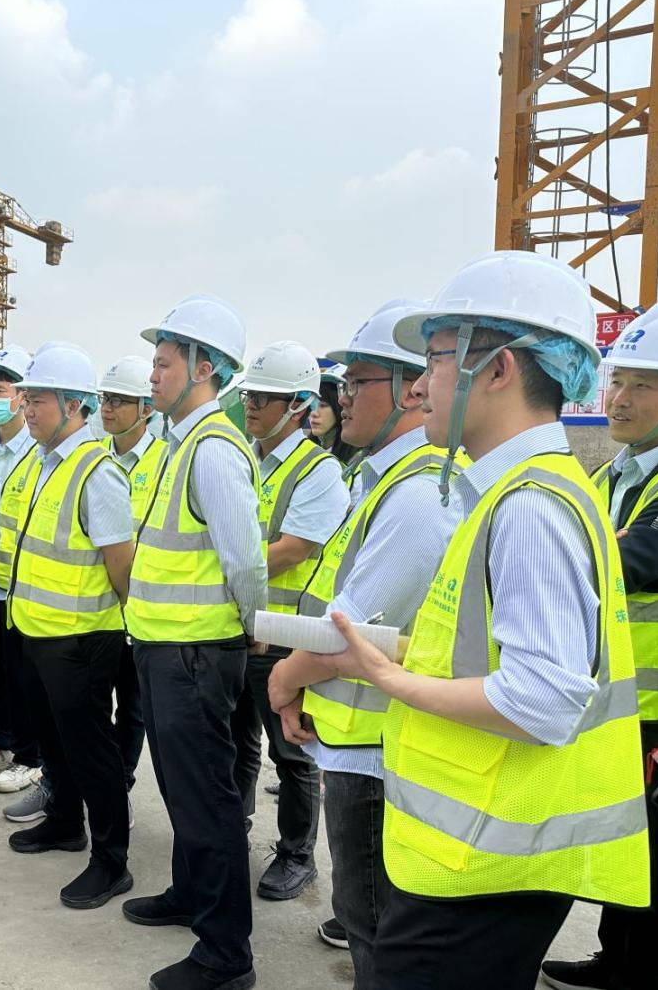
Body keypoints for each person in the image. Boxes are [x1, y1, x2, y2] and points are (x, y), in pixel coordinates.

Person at [311, 252, 650, 990]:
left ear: (497, 369)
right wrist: (393, 652)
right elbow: (477, 653)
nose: (419, 386)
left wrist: (390, 680)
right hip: (471, 855)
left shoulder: (529, 506)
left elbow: (542, 700)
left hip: (487, 868)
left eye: (435, 360)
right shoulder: (514, 491)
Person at [264, 304, 460, 987]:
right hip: (361, 739)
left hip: (381, 753)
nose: (340, 398)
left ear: (411, 389)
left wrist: (286, 676)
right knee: (366, 918)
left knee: (375, 927)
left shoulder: (420, 494)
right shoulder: (379, 479)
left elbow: (353, 622)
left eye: (357, 383)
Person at [121, 294, 266, 990]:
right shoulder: (177, 446)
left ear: (204, 368)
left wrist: (251, 627)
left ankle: (225, 954)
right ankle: (189, 894)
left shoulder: (213, 450)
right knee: (184, 794)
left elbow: (246, 561)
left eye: (164, 363)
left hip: (196, 654)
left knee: (207, 802)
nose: (152, 375)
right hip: (164, 648)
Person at [541, 313, 658, 990]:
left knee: (655, 859)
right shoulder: (612, 475)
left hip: (657, 715)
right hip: (618, 706)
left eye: (643, 385)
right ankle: (616, 962)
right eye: (618, 382)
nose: (619, 399)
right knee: (624, 850)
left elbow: (631, 559)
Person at [4, 343, 136, 910]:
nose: (26, 408)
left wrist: (131, 631)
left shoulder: (96, 472)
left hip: (82, 639)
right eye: (26, 398)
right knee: (53, 742)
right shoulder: (42, 462)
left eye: (38, 399)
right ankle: (64, 822)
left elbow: (121, 564)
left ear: (74, 404)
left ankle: (111, 861)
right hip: (36, 631)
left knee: (92, 752)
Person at [231, 341, 349, 901]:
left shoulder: (318, 471)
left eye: (265, 398)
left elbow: (294, 549)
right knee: (237, 741)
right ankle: (233, 827)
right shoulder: (245, 459)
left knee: (292, 752)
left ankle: (298, 855)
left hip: (283, 635)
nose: (252, 406)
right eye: (250, 396)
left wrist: (221, 569)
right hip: (239, 625)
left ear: (298, 404)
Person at [0, 346, 44, 799]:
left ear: (22, 397)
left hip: (22, 583)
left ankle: (31, 756)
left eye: (1, 390)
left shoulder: (38, 450)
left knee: (22, 674)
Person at [98, 354, 165, 812]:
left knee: (133, 706)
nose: (108, 408)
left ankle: (120, 783)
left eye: (119, 400)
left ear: (146, 409)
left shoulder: (167, 462)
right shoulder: (94, 458)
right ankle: (94, 782)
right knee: (94, 704)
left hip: (143, 606)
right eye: (105, 398)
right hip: (96, 606)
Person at [310, 363, 355, 466]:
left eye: (323, 405)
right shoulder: (303, 451)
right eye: (312, 404)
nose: (314, 413)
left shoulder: (358, 460)